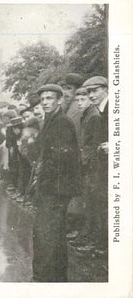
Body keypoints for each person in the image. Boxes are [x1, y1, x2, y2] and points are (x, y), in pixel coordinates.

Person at [32, 84, 80, 282]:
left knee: (47, 235)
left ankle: (44, 279)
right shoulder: (52, 121)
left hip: (55, 190)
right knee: (52, 235)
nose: (44, 102)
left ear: (60, 100)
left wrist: (43, 177)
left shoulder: (61, 122)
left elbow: (61, 159)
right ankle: (55, 278)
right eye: (42, 99)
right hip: (53, 188)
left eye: (49, 98)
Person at [70, 87, 101, 251]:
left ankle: (92, 238)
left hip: (91, 166)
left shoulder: (93, 116)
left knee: (91, 203)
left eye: (83, 100)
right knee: (86, 202)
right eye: (78, 100)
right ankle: (86, 234)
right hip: (86, 163)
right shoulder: (87, 115)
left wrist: (83, 162)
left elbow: (92, 144)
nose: (80, 103)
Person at [83, 76, 108, 254]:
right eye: (89, 92)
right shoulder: (101, 110)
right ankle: (100, 244)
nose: (91, 95)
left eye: (95, 91)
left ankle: (102, 246)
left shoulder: (109, 109)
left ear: (106, 89)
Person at [60, 73, 84, 141]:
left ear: (78, 90)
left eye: (69, 88)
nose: (65, 92)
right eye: (63, 89)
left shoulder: (78, 106)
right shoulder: (66, 104)